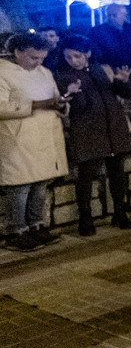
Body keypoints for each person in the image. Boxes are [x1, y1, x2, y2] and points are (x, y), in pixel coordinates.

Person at [55, 35, 131, 234]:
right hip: (88, 132)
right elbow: (78, 107)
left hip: (113, 129)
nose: (74, 61)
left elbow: (122, 94)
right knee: (86, 177)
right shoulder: (63, 76)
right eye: (69, 57)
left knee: (117, 174)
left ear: (88, 54)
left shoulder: (100, 69)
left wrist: (123, 82)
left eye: (78, 56)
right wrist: (73, 93)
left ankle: (120, 212)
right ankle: (85, 217)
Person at [0, 33, 70, 251]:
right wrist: (37, 105)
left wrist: (61, 105)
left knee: (40, 184)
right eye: (32, 57)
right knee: (19, 186)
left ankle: (36, 224)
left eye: (42, 58)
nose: (38, 62)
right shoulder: (3, 72)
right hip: (18, 138)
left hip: (44, 136)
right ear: (17, 52)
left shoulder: (45, 72)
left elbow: (55, 97)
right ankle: (15, 230)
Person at [88, 3, 131, 68]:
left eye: (114, 15)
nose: (111, 18)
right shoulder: (96, 32)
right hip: (107, 72)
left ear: (124, 16)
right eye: (109, 15)